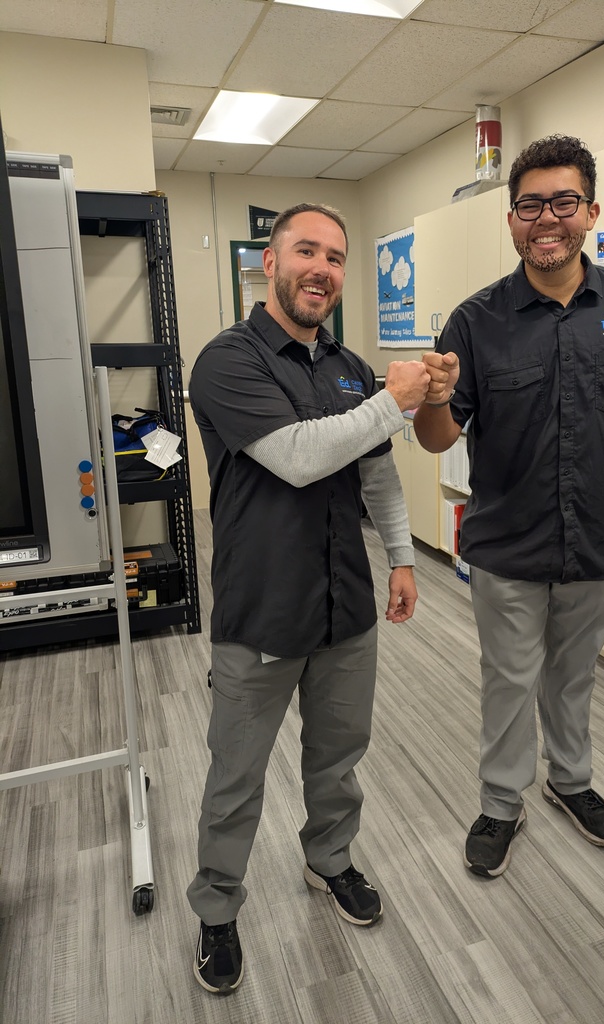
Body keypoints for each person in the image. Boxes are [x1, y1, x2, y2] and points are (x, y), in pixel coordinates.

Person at [414, 135, 604, 878]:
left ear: (589, 212)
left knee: (572, 677)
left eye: (563, 202)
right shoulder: (475, 322)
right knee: (507, 680)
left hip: (599, 539)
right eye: (529, 204)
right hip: (507, 542)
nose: (546, 218)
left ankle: (570, 783)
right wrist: (432, 401)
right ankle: (501, 803)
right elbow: (439, 438)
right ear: (510, 220)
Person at [187, 202, 433, 995]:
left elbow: (375, 473)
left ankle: (330, 861)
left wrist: (399, 557)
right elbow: (296, 457)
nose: (321, 268)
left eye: (334, 256)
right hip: (261, 613)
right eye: (305, 251)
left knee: (338, 759)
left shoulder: (350, 368)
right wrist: (393, 403)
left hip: (344, 610)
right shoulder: (227, 361)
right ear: (270, 262)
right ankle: (218, 908)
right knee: (237, 776)